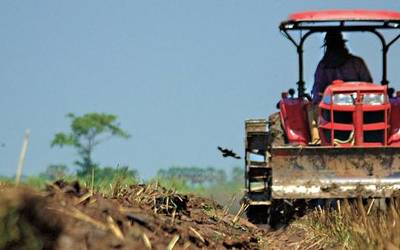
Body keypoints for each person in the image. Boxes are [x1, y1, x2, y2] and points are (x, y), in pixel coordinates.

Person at [308, 31, 373, 144]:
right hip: (333, 106)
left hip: (357, 105)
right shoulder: (355, 63)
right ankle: (318, 140)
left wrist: (317, 99)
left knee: (311, 108)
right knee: (314, 106)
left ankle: (317, 139)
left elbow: (369, 87)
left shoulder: (325, 66)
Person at [311, 31, 373, 104]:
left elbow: (369, 88)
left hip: (357, 104)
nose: (335, 50)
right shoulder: (323, 66)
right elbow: (318, 94)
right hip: (331, 107)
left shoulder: (356, 63)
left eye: (336, 45)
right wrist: (327, 99)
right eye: (333, 46)